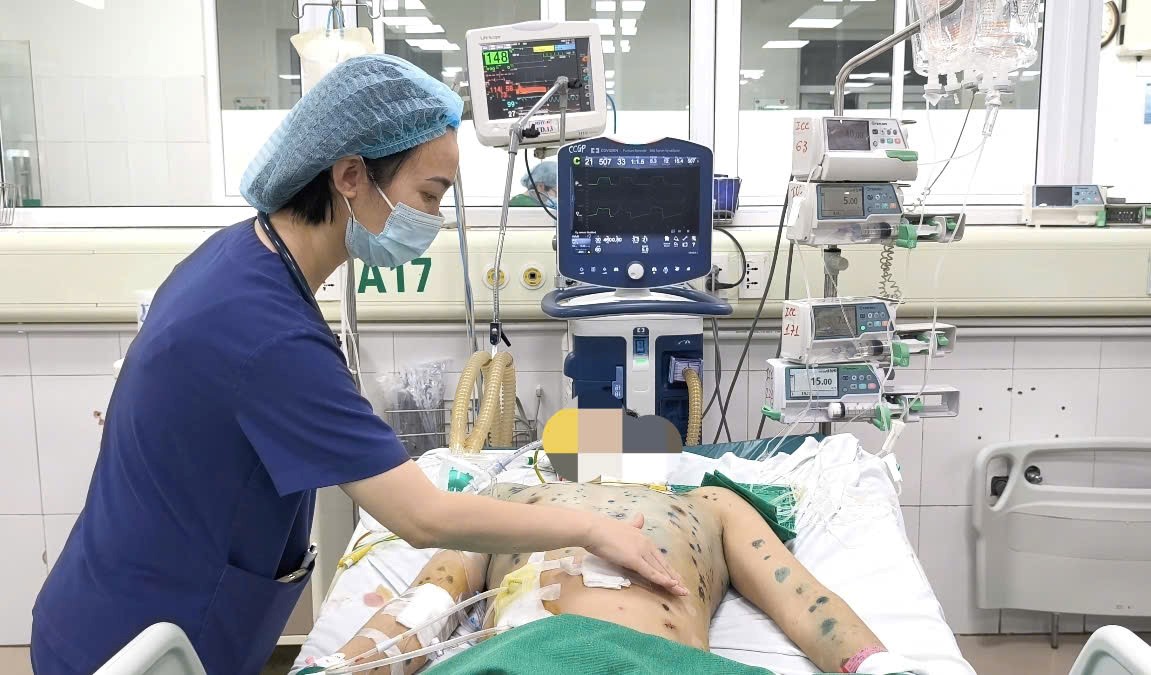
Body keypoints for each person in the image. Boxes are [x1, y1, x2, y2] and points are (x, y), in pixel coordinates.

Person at [30, 55, 685, 675]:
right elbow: (422, 517)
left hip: (125, 602)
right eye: (428, 194)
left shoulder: (239, 259)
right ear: (349, 177)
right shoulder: (264, 332)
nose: (432, 219)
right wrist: (594, 528)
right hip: (133, 643)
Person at [309, 482, 926, 675]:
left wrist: (879, 668)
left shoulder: (711, 503)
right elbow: (427, 606)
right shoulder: (503, 499)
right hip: (528, 658)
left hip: (653, 660)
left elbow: (803, 601)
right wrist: (342, 668)